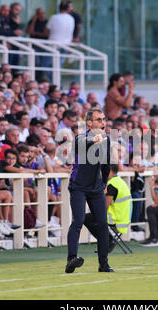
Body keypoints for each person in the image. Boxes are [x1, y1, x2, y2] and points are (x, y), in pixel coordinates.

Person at [66, 108, 113, 273]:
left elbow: (106, 165)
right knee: (77, 221)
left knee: (102, 224)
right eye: (99, 119)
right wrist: (94, 141)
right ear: (90, 123)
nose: (102, 122)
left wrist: (104, 183)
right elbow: (80, 147)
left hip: (95, 188)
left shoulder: (106, 140)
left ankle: (103, 263)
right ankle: (71, 259)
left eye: (103, 119)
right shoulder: (81, 137)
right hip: (78, 187)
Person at [84, 163, 131, 253]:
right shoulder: (120, 182)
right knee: (92, 216)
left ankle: (107, 241)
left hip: (115, 219)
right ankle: (108, 240)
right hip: (124, 218)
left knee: (86, 218)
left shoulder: (112, 185)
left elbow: (104, 206)